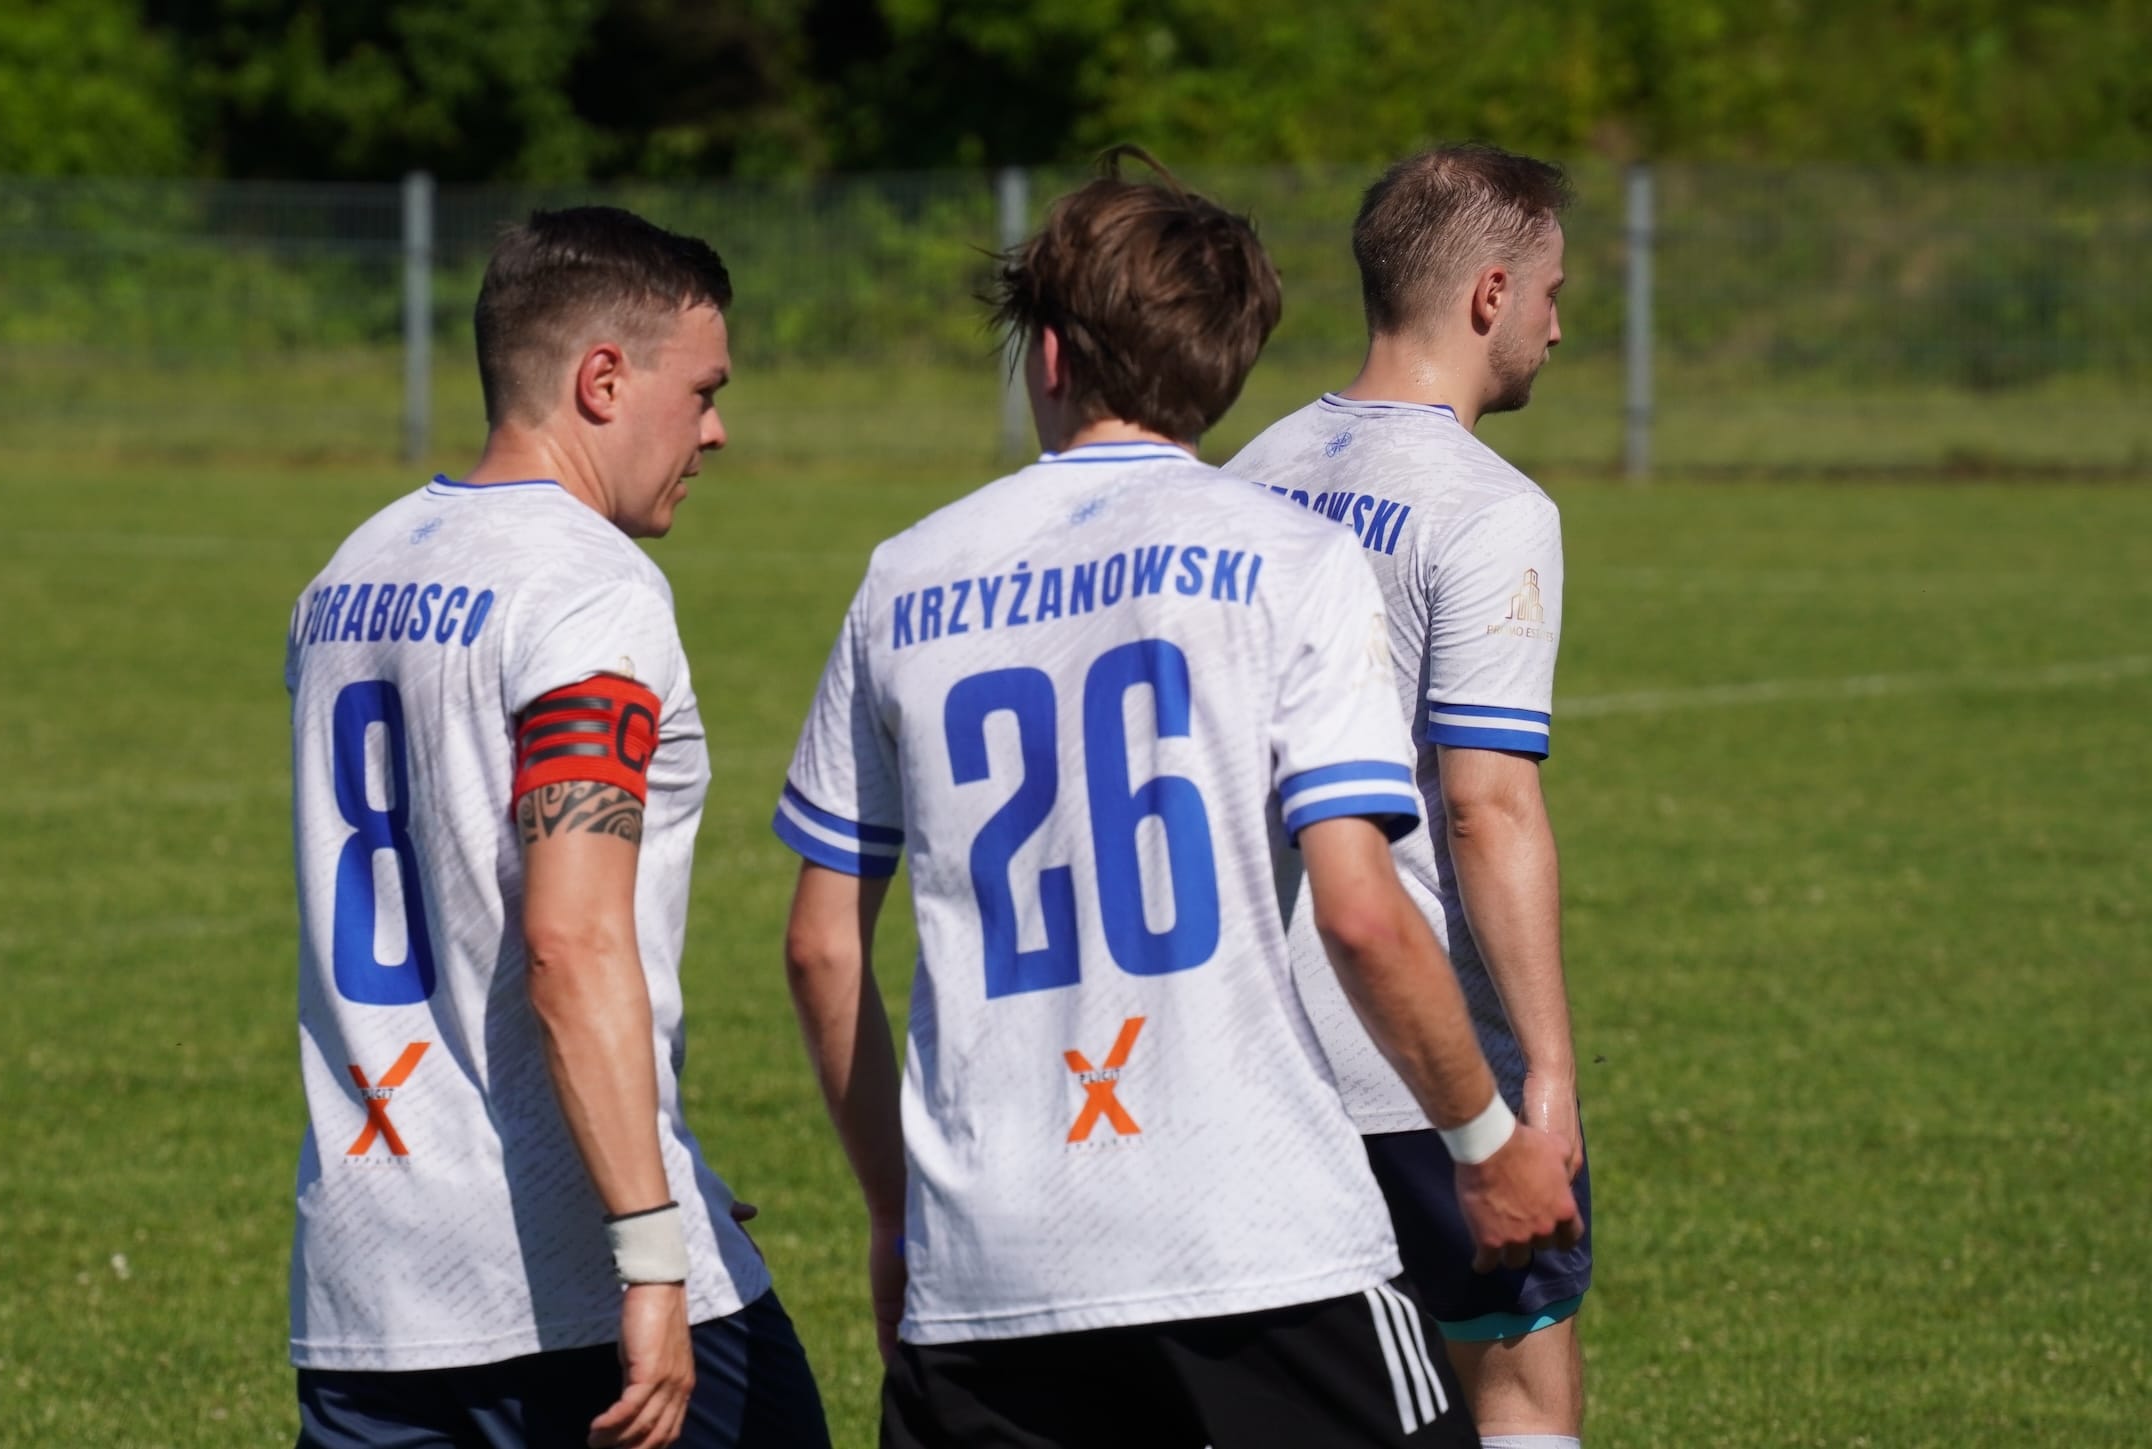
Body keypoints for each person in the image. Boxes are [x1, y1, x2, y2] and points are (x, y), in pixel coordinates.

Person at [773, 149, 1580, 1449]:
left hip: (988, 1260)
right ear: (1229, 358)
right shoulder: (1288, 559)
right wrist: (1487, 1137)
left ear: (1046, 357)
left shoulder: (903, 579)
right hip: (1255, 1235)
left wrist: (892, 1216)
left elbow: (821, 948)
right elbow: (1364, 916)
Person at [281, 206, 830, 1449]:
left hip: (367, 1281)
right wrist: (650, 1248)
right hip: (562, 1276)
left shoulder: (346, 574)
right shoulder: (586, 587)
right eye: (700, 391)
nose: (714, 430)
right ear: (600, 380)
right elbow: (569, 942)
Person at [1225, 144, 1590, 1449]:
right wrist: (1540, 1075)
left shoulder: (1250, 466)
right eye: (1551, 289)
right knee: (1520, 1381)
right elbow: (1486, 809)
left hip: (1253, 1044)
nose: (1562, 321)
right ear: (1489, 294)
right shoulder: (1488, 509)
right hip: (1417, 1056)